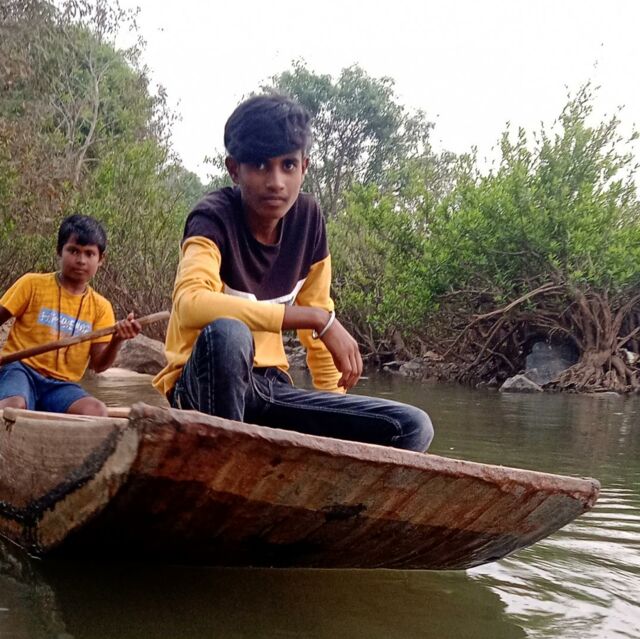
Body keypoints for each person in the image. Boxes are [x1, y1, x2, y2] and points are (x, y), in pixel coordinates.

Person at [152, 95, 433, 451]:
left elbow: (319, 318)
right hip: (202, 388)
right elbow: (190, 304)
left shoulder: (308, 220)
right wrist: (315, 319)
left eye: (288, 165)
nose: (276, 182)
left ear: (304, 167)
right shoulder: (213, 217)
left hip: (271, 390)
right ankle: (223, 465)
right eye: (260, 165)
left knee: (410, 427)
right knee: (229, 335)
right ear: (234, 169)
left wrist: (335, 415)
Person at [0, 214, 141, 416]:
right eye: (73, 251)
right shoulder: (31, 284)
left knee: (96, 411)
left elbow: (99, 365)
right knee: (13, 407)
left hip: (61, 385)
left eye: (89, 254)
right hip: (20, 371)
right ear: (59, 251)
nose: (81, 260)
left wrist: (117, 339)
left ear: (101, 259)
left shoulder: (101, 307)